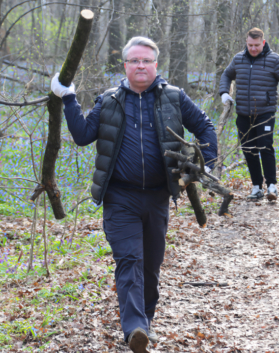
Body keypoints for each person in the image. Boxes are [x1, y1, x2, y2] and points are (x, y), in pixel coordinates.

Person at [51, 37, 217, 352]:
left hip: (157, 198)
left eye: (146, 61)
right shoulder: (109, 100)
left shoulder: (174, 97)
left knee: (150, 269)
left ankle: (144, 324)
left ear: (156, 65)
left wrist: (202, 165)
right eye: (134, 61)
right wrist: (68, 98)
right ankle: (135, 329)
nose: (140, 66)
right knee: (129, 261)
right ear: (125, 66)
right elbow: (83, 135)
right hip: (120, 197)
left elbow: (205, 128)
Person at [218, 27, 279, 201]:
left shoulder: (274, 60)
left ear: (263, 43)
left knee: (265, 147)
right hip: (243, 114)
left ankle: (272, 186)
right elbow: (226, 75)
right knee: (248, 150)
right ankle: (256, 187)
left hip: (265, 113)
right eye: (250, 45)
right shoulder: (238, 59)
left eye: (257, 45)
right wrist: (224, 92)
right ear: (246, 43)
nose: (253, 49)